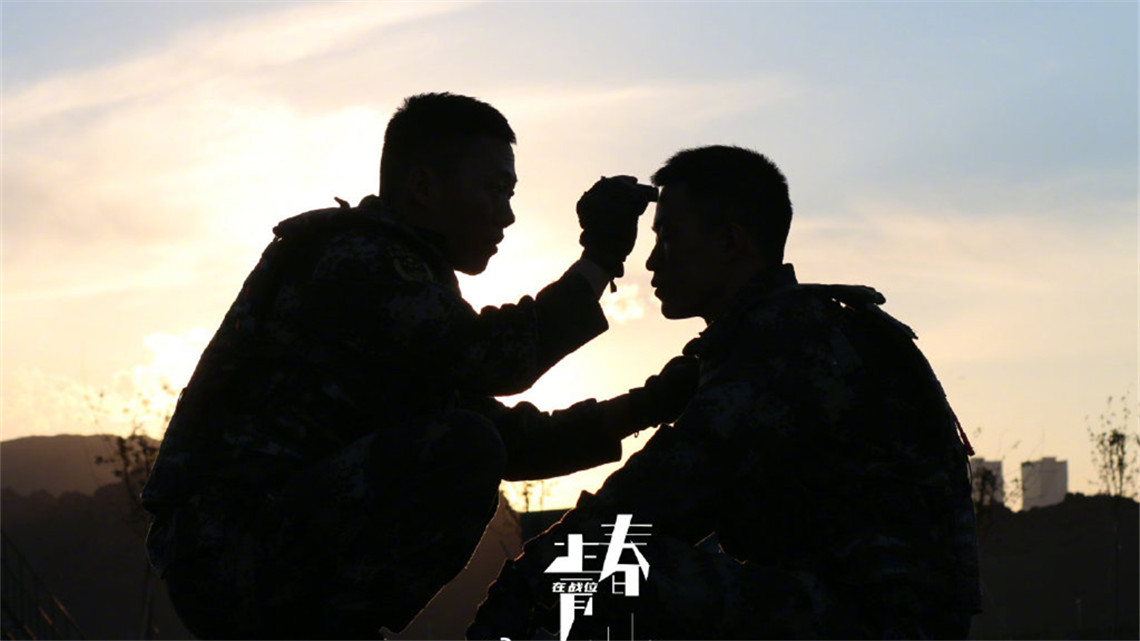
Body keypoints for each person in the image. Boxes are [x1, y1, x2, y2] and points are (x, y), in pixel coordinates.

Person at [140, 92, 696, 639]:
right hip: (231, 548)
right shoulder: (360, 261)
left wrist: (652, 403)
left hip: (251, 544)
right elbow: (494, 362)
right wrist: (598, 260)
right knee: (463, 447)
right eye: (495, 189)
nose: (507, 214)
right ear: (424, 187)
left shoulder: (404, 292)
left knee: (471, 442)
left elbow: (514, 440)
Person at [469, 145, 983, 640]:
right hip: (856, 611)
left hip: (867, 622)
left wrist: (520, 587)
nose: (652, 262)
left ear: (730, 243)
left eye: (668, 237)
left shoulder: (783, 342)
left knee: (595, 564)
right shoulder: (795, 329)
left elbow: (653, 495)